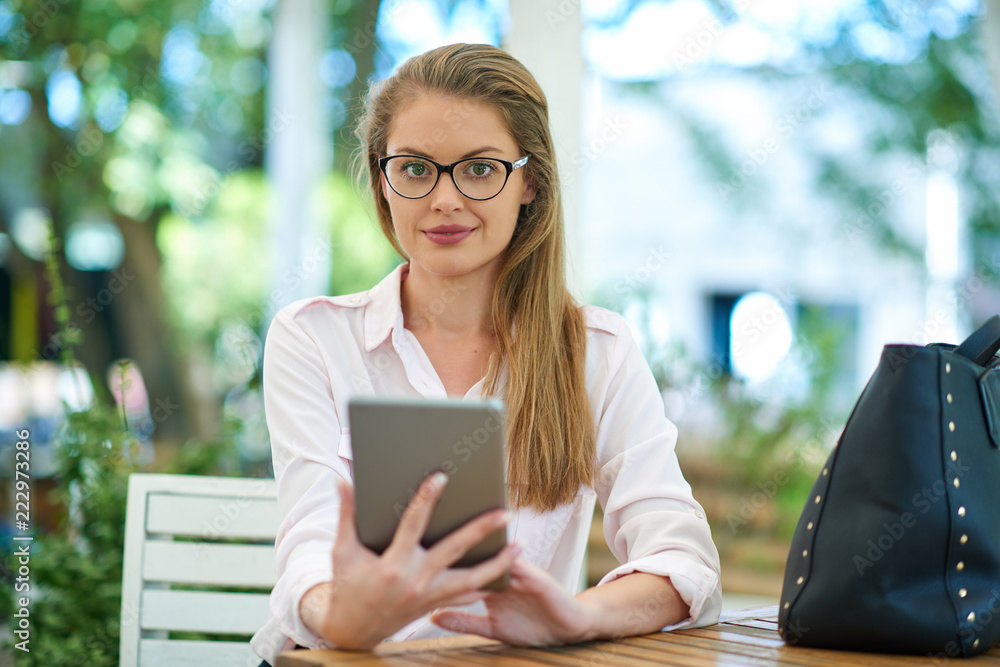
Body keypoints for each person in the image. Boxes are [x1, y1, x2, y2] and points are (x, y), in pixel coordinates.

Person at [250, 42, 722, 666]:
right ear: (383, 180)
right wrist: (340, 614)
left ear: (528, 182)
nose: (444, 199)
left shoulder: (595, 352)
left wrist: (575, 617)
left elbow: (684, 560)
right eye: (415, 168)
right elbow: (310, 540)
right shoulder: (313, 339)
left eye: (479, 168)